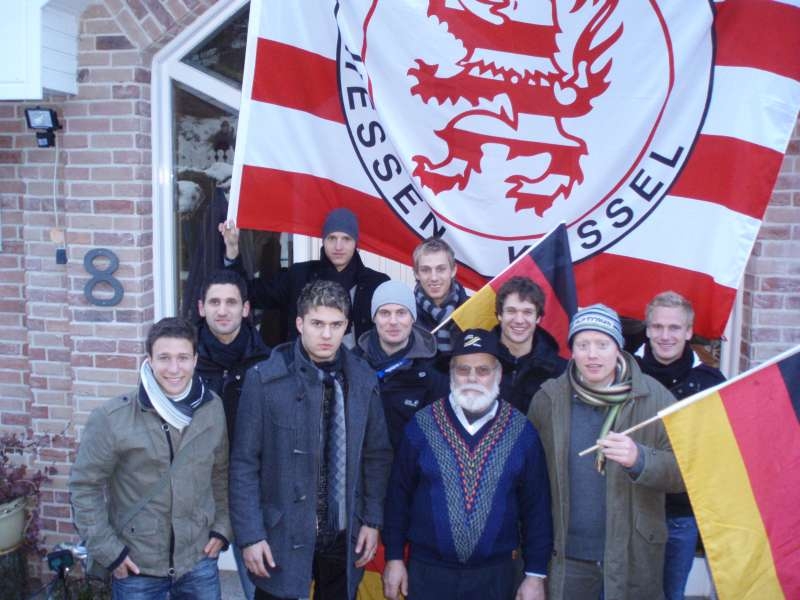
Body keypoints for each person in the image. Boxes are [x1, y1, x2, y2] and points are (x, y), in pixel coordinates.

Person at [229, 279, 393, 600]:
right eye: (318, 324)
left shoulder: (362, 379)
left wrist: (371, 520)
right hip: (281, 534)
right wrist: (250, 536)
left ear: (347, 325)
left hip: (342, 536)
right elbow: (244, 465)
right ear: (300, 323)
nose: (327, 335)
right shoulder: (264, 380)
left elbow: (377, 455)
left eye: (336, 325)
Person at [383, 329, 553, 600]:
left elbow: (537, 508)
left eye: (483, 370)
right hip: (428, 574)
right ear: (451, 374)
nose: (472, 378)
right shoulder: (421, 426)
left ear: (498, 374)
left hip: (496, 577)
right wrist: (393, 558)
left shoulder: (522, 432)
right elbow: (397, 497)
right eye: (463, 369)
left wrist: (535, 574)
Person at [528, 304, 684, 599]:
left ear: (618, 348)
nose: (592, 354)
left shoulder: (654, 398)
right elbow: (528, 478)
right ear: (571, 350)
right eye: (583, 344)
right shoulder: (548, 399)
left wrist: (641, 460)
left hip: (632, 558)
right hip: (568, 556)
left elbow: (685, 472)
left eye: (602, 344)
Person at [70, 317, 231, 600]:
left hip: (198, 560)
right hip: (137, 566)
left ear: (195, 360)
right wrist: (110, 552)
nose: (173, 368)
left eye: (182, 357)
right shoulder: (112, 419)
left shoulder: (211, 407)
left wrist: (221, 527)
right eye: (164, 358)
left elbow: (220, 473)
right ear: (149, 360)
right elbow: (85, 488)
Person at [636, 291, 725, 600]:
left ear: (689, 331)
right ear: (647, 328)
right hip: (628, 509)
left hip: (680, 514)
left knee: (670, 594)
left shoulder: (710, 383)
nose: (664, 336)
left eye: (674, 328)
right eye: (657, 327)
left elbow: (718, 451)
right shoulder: (621, 371)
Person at [195, 269, 270, 599]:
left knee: (261, 585)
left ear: (245, 308)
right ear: (201, 308)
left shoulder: (268, 363)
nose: (222, 310)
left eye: (230, 302)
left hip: (251, 491)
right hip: (197, 492)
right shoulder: (184, 365)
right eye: (214, 302)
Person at [220, 207, 389, 347]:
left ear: (356, 243)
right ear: (323, 240)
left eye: (346, 239)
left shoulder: (377, 284)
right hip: (303, 375)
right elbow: (248, 293)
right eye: (332, 238)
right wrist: (232, 251)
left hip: (359, 378)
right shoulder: (300, 276)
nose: (339, 246)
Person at [355, 280, 449, 448]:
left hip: (411, 468)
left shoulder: (435, 368)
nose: (393, 321)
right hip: (364, 469)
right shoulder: (353, 363)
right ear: (374, 317)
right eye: (384, 313)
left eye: (401, 313)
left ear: (412, 317)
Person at [494, 276, 567, 414]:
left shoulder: (561, 372)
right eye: (511, 311)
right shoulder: (478, 360)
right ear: (499, 315)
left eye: (527, 312)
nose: (519, 320)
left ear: (538, 317)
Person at [412, 236, 468, 364]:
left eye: (441, 269)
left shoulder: (472, 310)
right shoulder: (406, 316)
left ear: (453, 270)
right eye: (426, 270)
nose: (434, 277)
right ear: (416, 273)